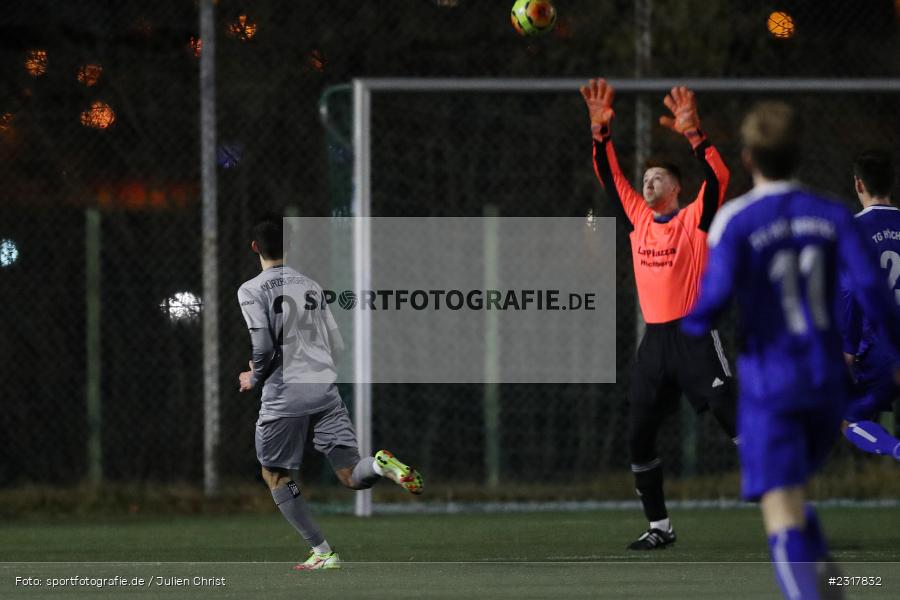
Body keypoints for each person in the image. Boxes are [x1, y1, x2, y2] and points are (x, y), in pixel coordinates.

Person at [683, 102, 900, 599]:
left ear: (747, 158)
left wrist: (691, 323)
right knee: (796, 500)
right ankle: (835, 589)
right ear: (799, 153)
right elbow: (874, 293)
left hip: (772, 385)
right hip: (827, 386)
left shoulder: (737, 221)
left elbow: (709, 305)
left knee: (780, 510)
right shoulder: (832, 215)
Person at [581, 78, 738, 550]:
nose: (647, 183)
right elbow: (610, 177)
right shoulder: (638, 220)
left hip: (693, 335)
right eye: (645, 179)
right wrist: (599, 134)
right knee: (638, 436)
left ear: (676, 188)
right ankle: (659, 527)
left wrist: (695, 135)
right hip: (655, 344)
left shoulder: (694, 218)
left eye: (657, 179)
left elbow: (720, 178)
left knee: (733, 415)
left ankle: (787, 504)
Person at [237, 215, 424, 571]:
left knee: (274, 474)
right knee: (352, 474)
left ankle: (323, 552)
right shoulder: (310, 284)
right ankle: (380, 466)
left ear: (255, 248)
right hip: (323, 388)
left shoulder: (250, 289)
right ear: (289, 247)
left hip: (284, 395)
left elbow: (261, 344)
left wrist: (255, 375)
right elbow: (336, 343)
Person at [840, 149, 900, 460]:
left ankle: (897, 449)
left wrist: (848, 349)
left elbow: (850, 292)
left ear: (859, 184)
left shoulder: (853, 230)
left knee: (852, 419)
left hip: (879, 351)